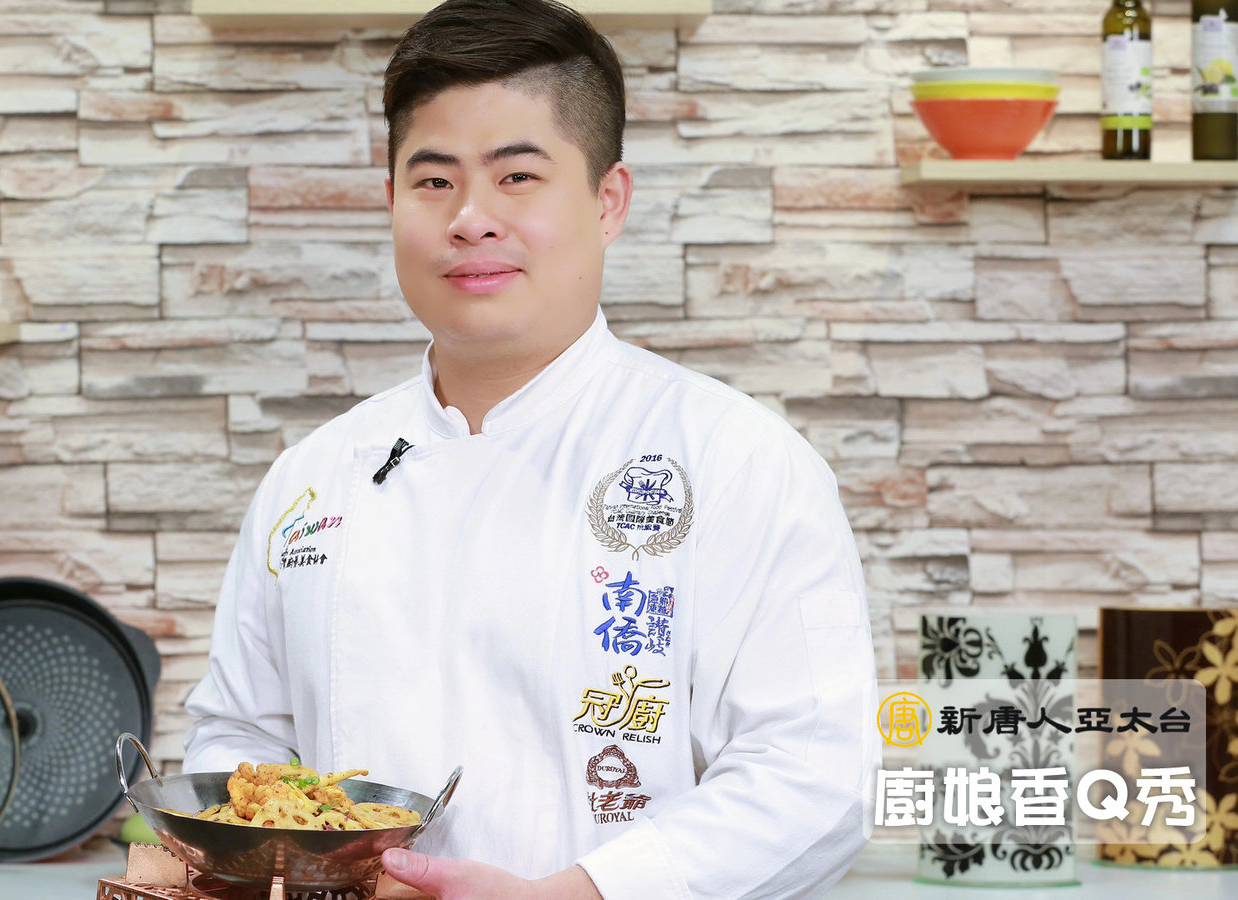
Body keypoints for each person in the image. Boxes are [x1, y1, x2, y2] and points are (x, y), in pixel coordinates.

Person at [182, 1, 879, 897]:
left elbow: (816, 777)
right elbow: (238, 741)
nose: (471, 218)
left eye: (517, 177)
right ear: (391, 201)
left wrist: (571, 895)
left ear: (607, 201)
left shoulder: (736, 461)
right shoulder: (313, 478)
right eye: (434, 181)